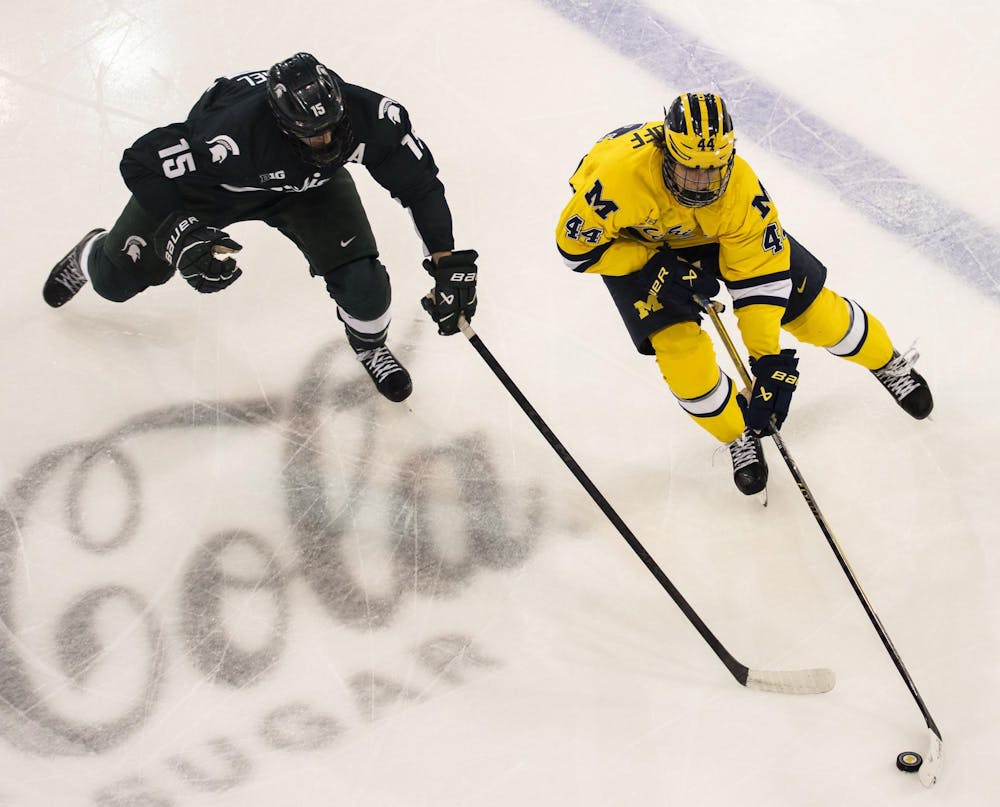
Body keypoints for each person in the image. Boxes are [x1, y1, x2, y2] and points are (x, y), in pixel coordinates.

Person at [555, 92, 932, 496]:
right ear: (666, 152)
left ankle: (886, 361)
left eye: (712, 171)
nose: (702, 184)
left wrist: (766, 360)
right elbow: (575, 251)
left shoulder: (741, 191)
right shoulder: (615, 181)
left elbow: (760, 279)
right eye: (689, 170)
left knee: (814, 315)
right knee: (683, 361)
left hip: (712, 235)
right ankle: (738, 433)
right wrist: (650, 263)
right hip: (639, 247)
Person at [43, 52, 478, 403]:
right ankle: (91, 251)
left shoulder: (373, 116)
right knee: (113, 282)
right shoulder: (227, 136)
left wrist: (445, 261)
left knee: (366, 288)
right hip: (211, 189)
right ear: (282, 125)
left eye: (331, 129)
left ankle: (369, 346)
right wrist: (183, 230)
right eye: (311, 135)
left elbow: (420, 186)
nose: (326, 143)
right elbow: (140, 161)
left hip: (308, 186)